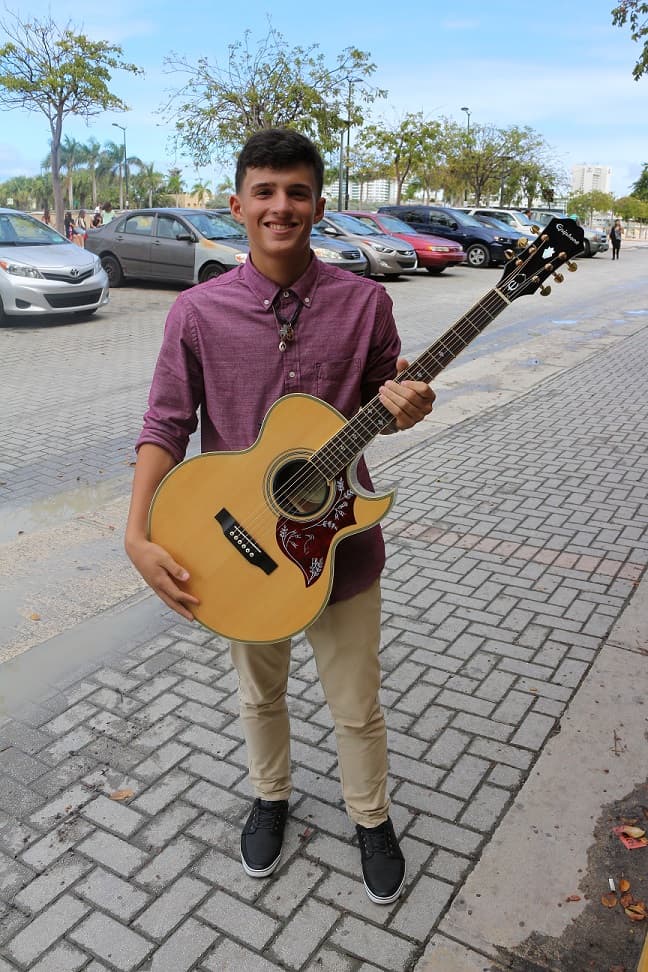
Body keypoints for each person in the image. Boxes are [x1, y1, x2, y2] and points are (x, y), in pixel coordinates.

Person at [125, 128, 435, 906]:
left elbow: (385, 397)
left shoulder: (365, 303)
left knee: (356, 705)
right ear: (237, 206)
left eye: (297, 192)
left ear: (320, 207)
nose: (280, 206)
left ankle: (371, 817)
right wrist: (136, 533)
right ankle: (270, 796)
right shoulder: (197, 313)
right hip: (241, 552)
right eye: (264, 192)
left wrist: (408, 405)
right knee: (259, 695)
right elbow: (166, 424)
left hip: (342, 548)